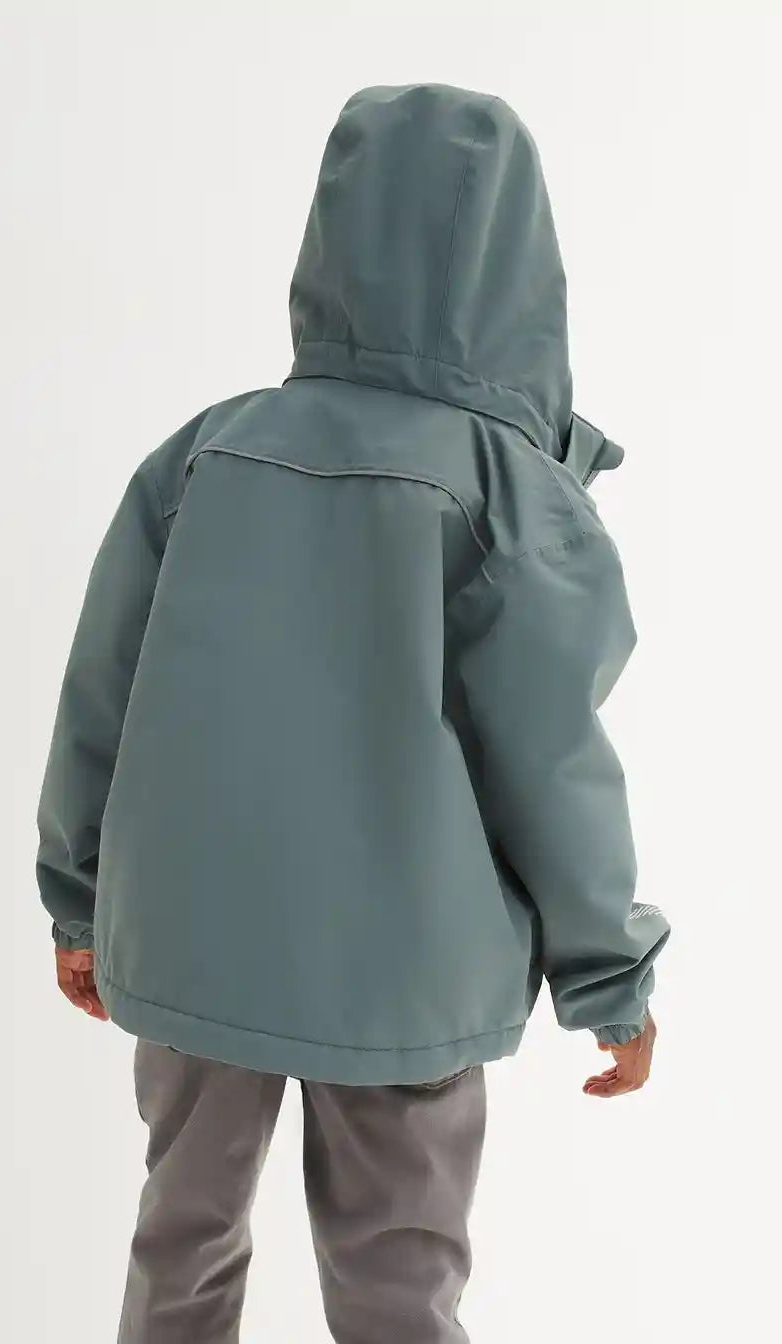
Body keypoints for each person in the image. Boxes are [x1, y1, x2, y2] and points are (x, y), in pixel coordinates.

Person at [36, 82, 670, 1344]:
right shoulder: (509, 492)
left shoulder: (206, 452)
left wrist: (79, 897)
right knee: (397, 1283)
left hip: (196, 929)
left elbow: (101, 687)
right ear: (522, 266)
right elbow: (551, 760)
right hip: (406, 968)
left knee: (181, 1241)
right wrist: (611, 977)